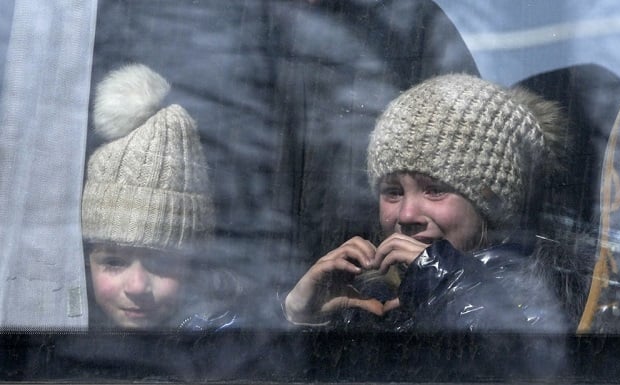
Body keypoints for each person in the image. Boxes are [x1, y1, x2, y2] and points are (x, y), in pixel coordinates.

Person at [284, 73, 591, 332]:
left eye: (434, 190)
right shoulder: (372, 297)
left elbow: (522, 363)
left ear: (494, 201)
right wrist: (300, 316)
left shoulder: (551, 292)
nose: (406, 215)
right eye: (392, 192)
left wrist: (443, 279)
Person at [82, 63, 239, 331]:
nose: (137, 287)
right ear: (86, 264)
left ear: (194, 265)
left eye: (162, 262)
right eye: (113, 262)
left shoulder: (228, 337)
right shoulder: (47, 345)